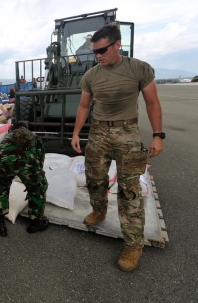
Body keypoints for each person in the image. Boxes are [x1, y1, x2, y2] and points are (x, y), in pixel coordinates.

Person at [71, 24, 164, 272]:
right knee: (95, 178)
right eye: (95, 52)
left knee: (129, 188)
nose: (98, 55)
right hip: (99, 131)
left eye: (102, 50)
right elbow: (83, 106)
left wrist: (157, 135)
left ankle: (133, 244)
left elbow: (152, 103)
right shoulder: (91, 75)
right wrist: (76, 133)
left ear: (117, 45)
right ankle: (99, 210)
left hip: (127, 132)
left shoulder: (138, 69)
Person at [0, 123, 49, 237]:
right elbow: (40, 156)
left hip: (3, 162)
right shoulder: (34, 137)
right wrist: (35, 176)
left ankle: (0, 224)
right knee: (37, 190)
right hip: (28, 163)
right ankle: (35, 223)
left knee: (1, 189)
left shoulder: (6, 138)